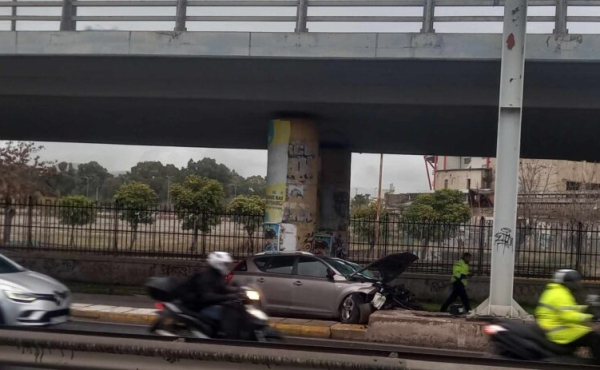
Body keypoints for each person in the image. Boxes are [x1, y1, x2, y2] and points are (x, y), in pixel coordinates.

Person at [535, 269, 600, 361]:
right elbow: (567, 316)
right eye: (576, 281)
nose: (578, 284)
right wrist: (590, 317)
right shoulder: (559, 294)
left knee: (588, 330)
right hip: (556, 331)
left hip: (556, 326)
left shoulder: (557, 291)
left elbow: (568, 308)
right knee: (593, 336)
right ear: (569, 282)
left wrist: (585, 308)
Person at [178, 251, 240, 338]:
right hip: (199, 306)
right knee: (227, 314)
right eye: (225, 264)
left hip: (207, 304)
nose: (227, 267)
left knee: (233, 308)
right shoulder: (206, 277)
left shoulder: (217, 275)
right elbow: (208, 296)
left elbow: (222, 289)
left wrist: (238, 290)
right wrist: (228, 297)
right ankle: (223, 337)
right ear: (218, 264)